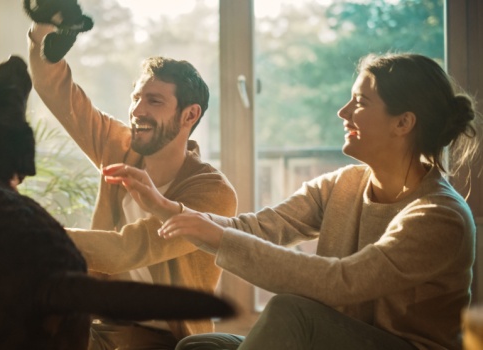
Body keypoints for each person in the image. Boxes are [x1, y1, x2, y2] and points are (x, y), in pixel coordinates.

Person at [103, 52, 481, 350]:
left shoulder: (438, 215)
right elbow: (261, 228)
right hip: (335, 340)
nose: (343, 112)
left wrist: (217, 237)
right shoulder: (343, 185)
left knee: (290, 311)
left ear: (403, 123)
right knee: (202, 345)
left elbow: (339, 282)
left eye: (360, 102)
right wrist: (171, 210)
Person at [28, 22, 238, 349]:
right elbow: (60, 94)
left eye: (154, 101)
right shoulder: (120, 148)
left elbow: (129, 249)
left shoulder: (213, 193)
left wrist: (33, 234)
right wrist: (44, 37)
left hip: (168, 338)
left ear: (189, 115)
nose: (137, 110)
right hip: (103, 325)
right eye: (136, 97)